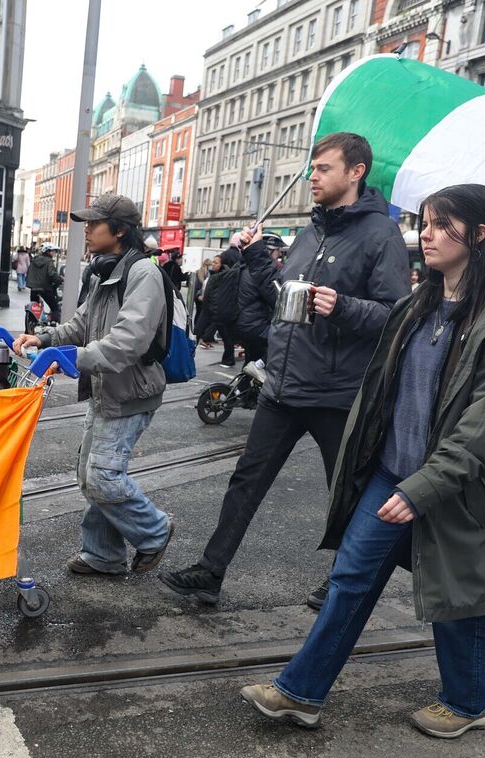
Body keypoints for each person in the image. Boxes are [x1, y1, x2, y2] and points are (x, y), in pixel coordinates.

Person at [239, 183, 485, 739]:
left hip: (459, 486)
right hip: (392, 472)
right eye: (425, 223)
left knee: (461, 598)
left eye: (441, 225)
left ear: (479, 235)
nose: (425, 235)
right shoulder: (418, 304)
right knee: (350, 579)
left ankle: (469, 700)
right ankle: (299, 692)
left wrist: (424, 487)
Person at [159, 132, 410, 607]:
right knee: (245, 480)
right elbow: (284, 296)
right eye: (312, 169)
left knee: (347, 494)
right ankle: (211, 572)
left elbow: (395, 314)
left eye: (323, 169)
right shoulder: (310, 232)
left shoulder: (381, 235)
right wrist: (253, 254)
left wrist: (343, 307)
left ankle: (344, 583)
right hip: (283, 384)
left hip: (337, 393)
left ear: (356, 172)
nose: (312, 177)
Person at [11, 194, 173, 576]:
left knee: (102, 475)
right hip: (106, 388)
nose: (86, 231)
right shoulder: (105, 271)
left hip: (130, 391)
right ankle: (103, 553)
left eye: (94, 224)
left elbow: (127, 343)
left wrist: (72, 358)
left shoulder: (142, 274)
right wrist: (47, 339)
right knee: (90, 472)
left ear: (118, 230)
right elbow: (81, 324)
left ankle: (155, 530)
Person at [237, 232, 278, 365]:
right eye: (277, 250)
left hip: (245, 324)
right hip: (257, 327)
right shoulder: (259, 274)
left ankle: (243, 385)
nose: (279, 254)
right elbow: (275, 299)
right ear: (269, 251)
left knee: (250, 363)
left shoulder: (246, 268)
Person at [204, 249, 241, 366]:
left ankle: (228, 359)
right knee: (226, 337)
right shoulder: (214, 275)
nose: (213, 264)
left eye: (216, 262)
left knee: (227, 338)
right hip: (215, 312)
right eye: (213, 262)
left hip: (222, 312)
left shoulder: (226, 277)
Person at [27, 244, 63, 323]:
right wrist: (59, 280)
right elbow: (52, 274)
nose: (54, 253)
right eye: (53, 251)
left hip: (34, 288)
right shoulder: (49, 262)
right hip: (45, 288)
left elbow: (29, 272)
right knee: (54, 308)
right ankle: (54, 324)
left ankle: (30, 325)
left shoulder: (34, 260)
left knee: (33, 308)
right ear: (48, 252)